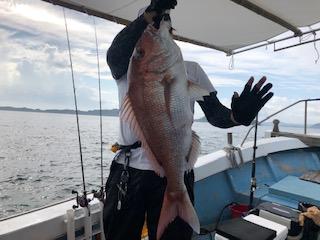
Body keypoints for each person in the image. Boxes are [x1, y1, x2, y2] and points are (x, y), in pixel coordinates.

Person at [103, 0, 273, 239]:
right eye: (146, 26)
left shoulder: (191, 70)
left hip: (177, 167)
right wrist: (149, 16)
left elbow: (216, 116)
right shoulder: (130, 66)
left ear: (171, 32)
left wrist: (238, 117)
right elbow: (115, 54)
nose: (154, 27)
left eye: (161, 24)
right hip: (128, 171)